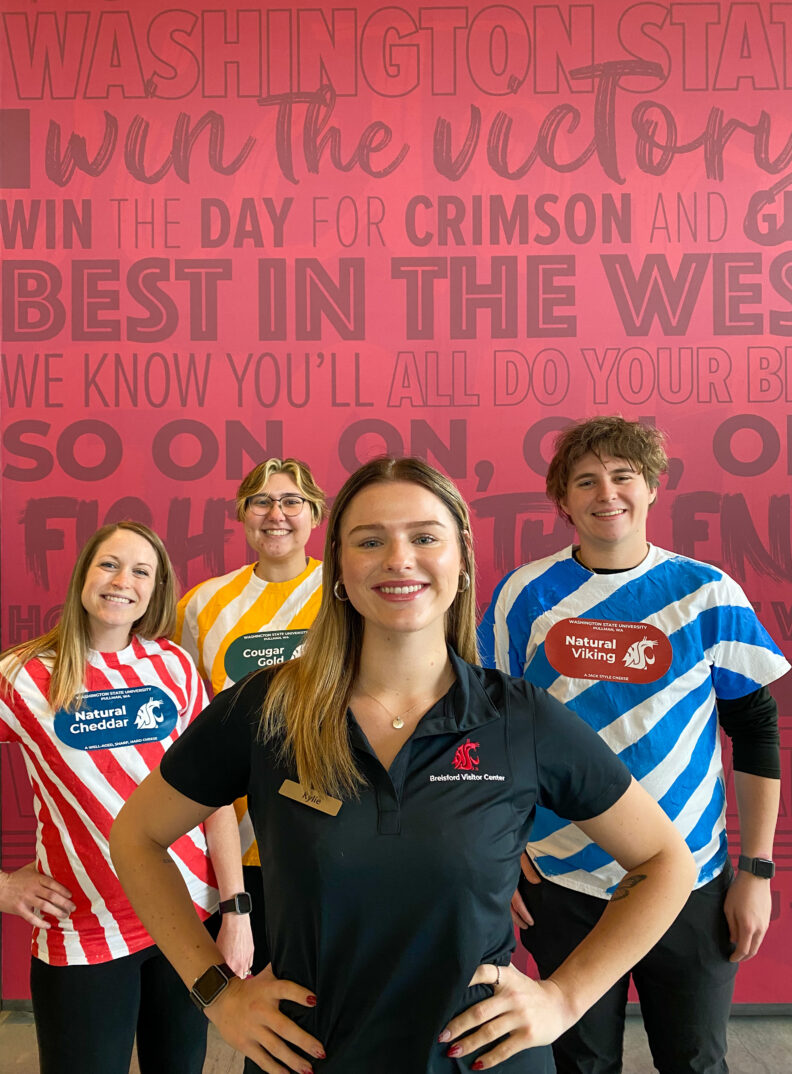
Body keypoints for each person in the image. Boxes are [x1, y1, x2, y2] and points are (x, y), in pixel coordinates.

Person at [111, 456, 695, 1074]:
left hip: (481, 1060)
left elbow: (666, 862)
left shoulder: (518, 717)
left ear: (461, 558)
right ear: (339, 564)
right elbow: (136, 835)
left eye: (424, 537)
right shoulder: (268, 707)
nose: (399, 559)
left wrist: (564, 997)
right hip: (308, 1057)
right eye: (370, 541)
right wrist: (218, 995)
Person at [479, 416, 789, 1074]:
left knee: (696, 1061)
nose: (606, 493)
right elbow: (489, 734)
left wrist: (756, 871)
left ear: (652, 487)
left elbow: (756, 730)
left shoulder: (708, 593)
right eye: (585, 480)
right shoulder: (521, 598)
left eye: (623, 476)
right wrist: (498, 855)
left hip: (691, 876)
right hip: (562, 880)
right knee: (581, 1063)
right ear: (562, 501)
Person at [0, 521, 251, 1074]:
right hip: (84, 928)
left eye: (142, 571)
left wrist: (236, 912)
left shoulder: (176, 669)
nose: (123, 581)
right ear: (83, 576)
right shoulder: (21, 675)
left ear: (155, 588)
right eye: (109, 564)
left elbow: (211, 803)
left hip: (187, 921)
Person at [174, 457, 326, 975]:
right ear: (242, 514)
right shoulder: (202, 605)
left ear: (316, 514)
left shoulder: (347, 595)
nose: (276, 513)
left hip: (331, 826)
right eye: (261, 501)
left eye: (291, 501)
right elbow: (187, 721)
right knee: (253, 994)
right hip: (233, 839)